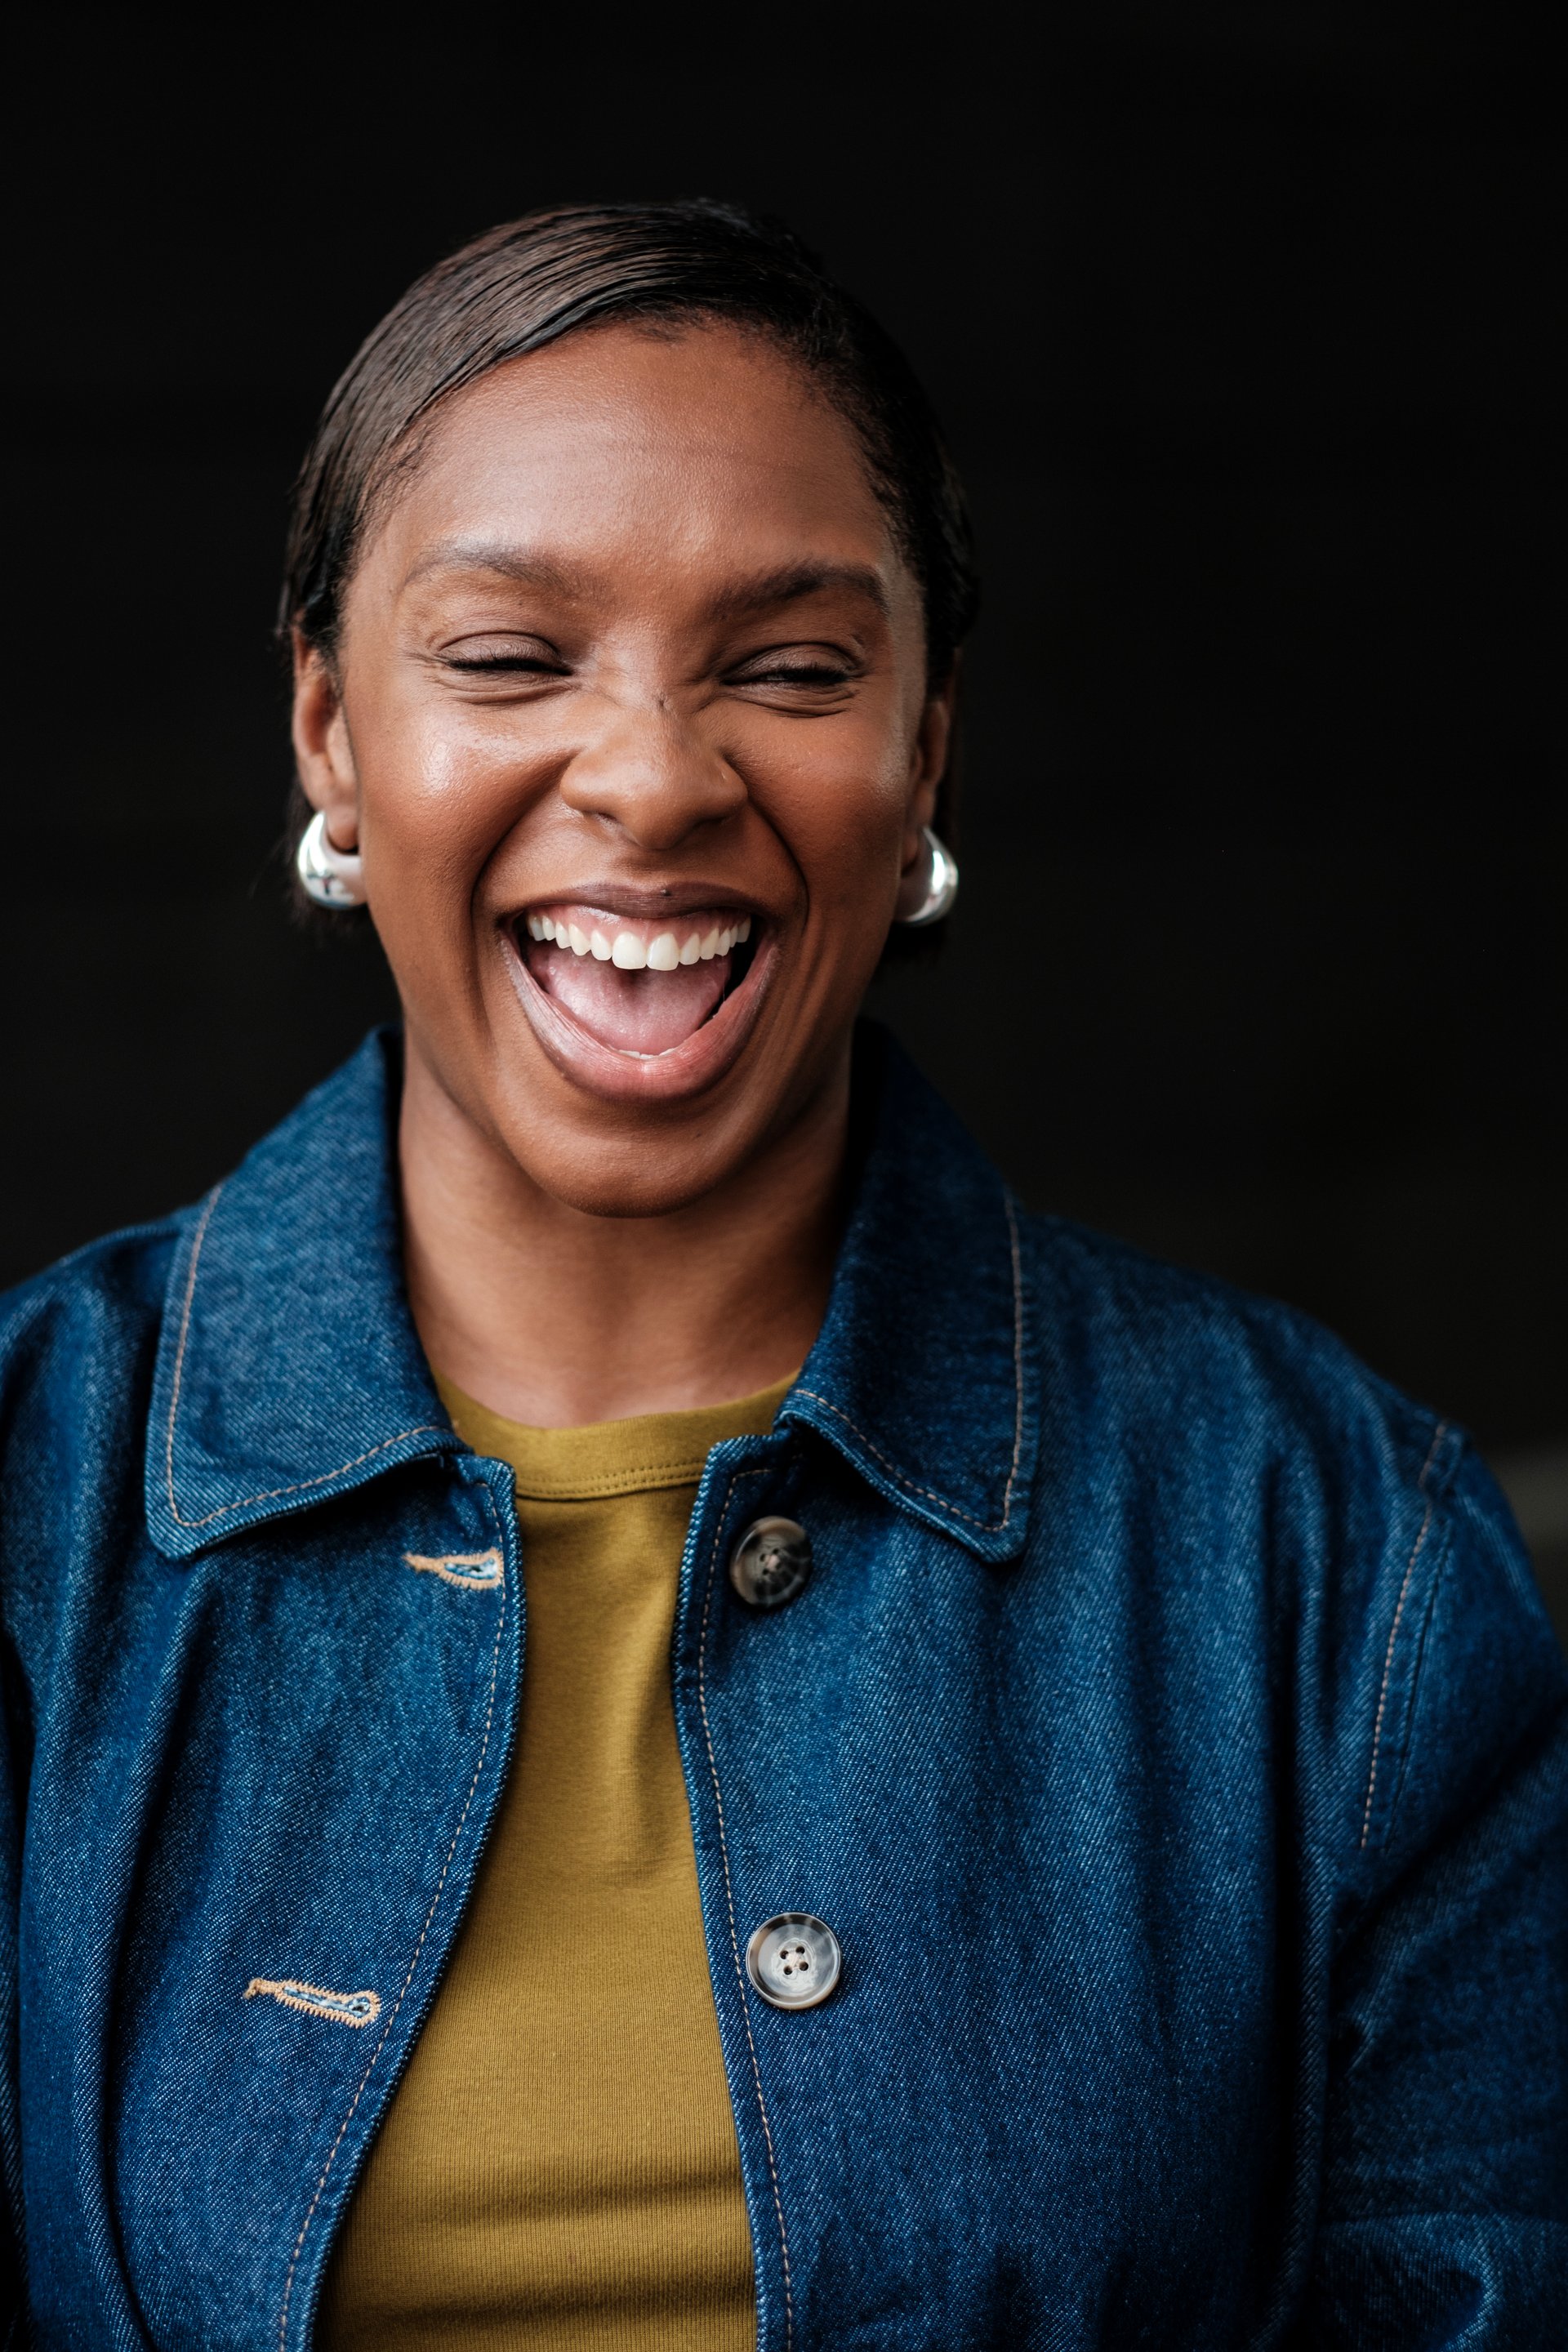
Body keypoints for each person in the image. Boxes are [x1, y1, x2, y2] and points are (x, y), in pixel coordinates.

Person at [0, 200, 1562, 2352]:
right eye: (509, 657)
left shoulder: (1336, 1557)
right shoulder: (28, 1500)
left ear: (924, 755)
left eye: (796, 669)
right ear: (330, 730)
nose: (654, 781)